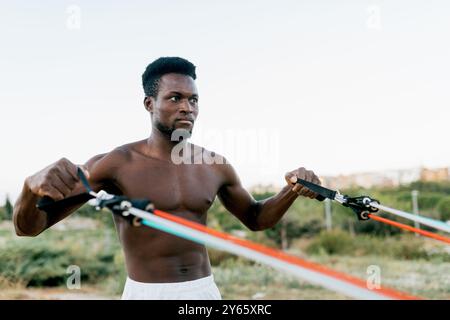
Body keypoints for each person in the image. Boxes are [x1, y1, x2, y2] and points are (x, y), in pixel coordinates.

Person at [13, 57, 321, 300]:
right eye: (175, 98)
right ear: (150, 104)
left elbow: (256, 219)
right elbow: (29, 228)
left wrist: (291, 191)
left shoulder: (214, 165)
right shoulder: (115, 164)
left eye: (194, 99)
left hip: (203, 292)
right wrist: (29, 188)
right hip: (146, 293)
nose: (187, 107)